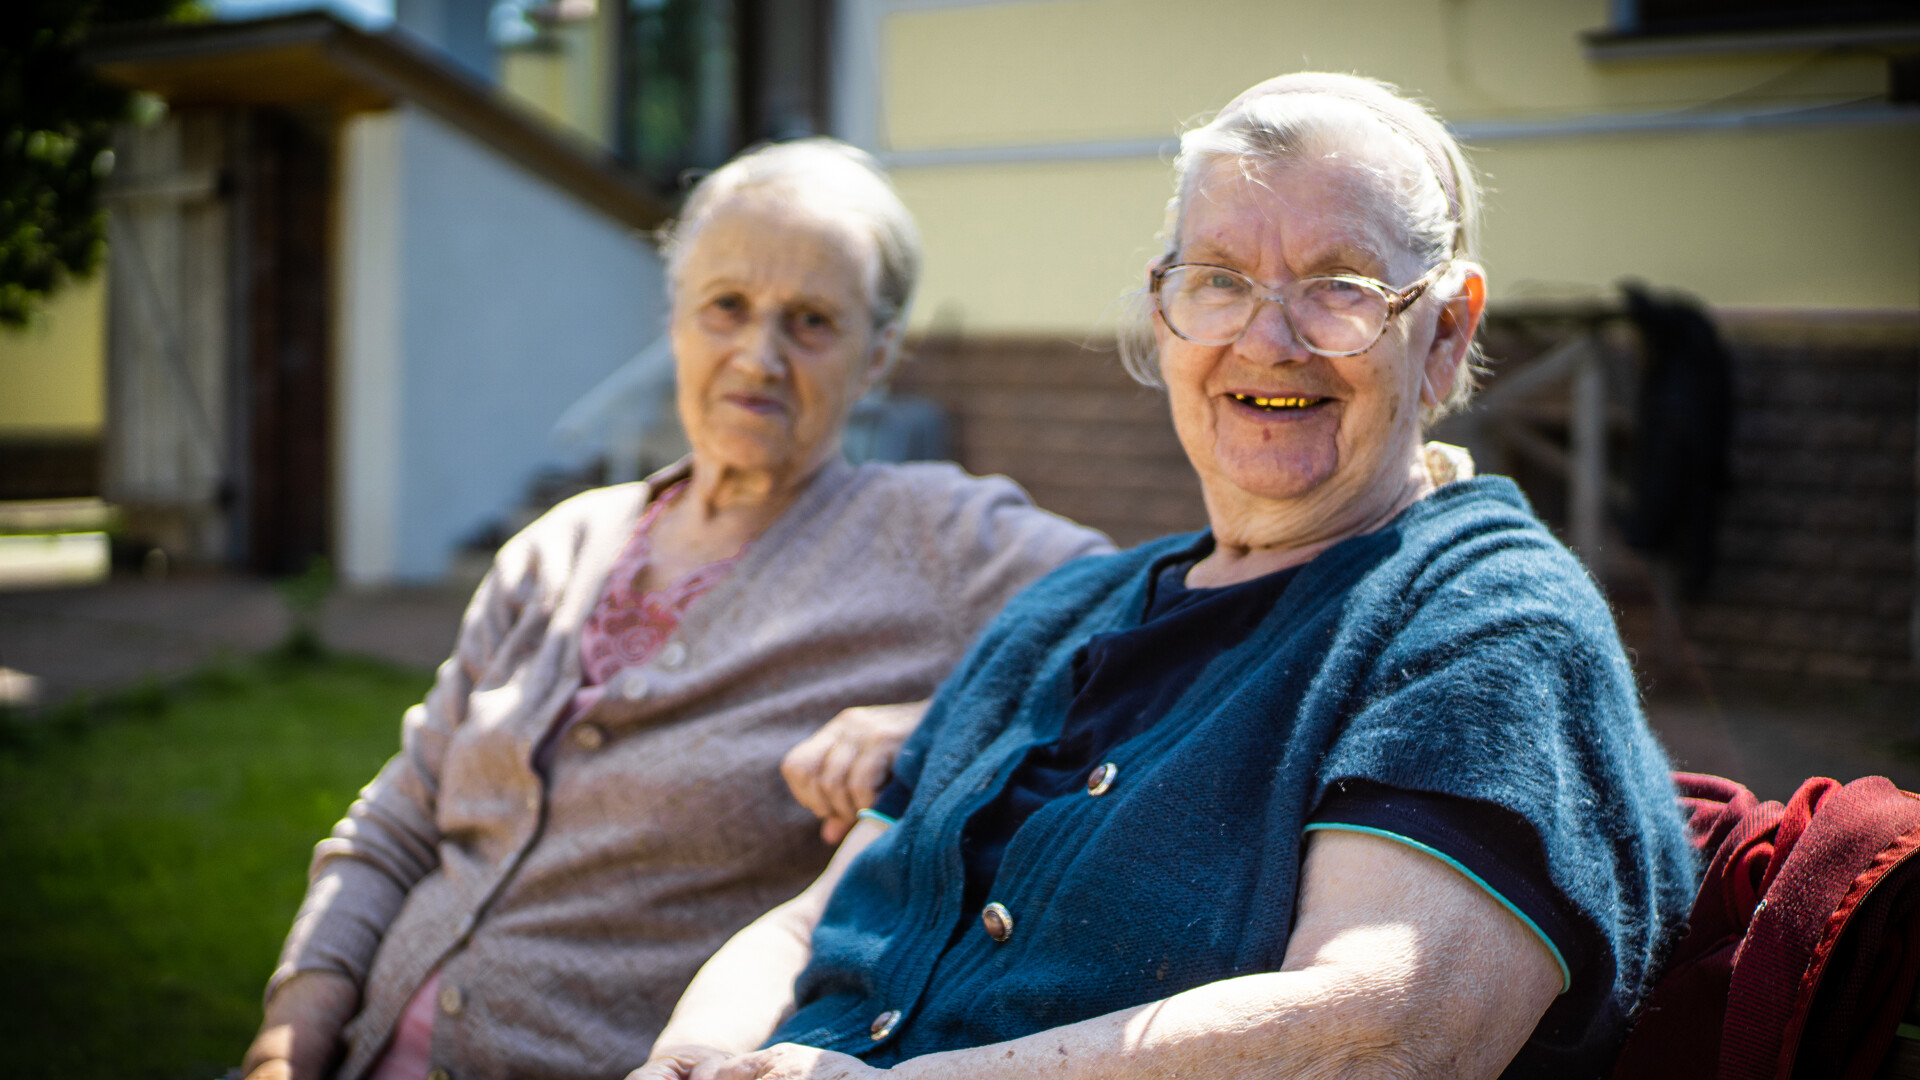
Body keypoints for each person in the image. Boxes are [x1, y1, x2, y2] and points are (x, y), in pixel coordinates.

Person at [633, 74, 1697, 1080]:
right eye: (1220, 282)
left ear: (1445, 336)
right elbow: (807, 922)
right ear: (1165, 314)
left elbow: (1390, 1031)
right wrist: (689, 1056)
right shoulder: (1061, 615)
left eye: (1338, 288)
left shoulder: (1483, 619)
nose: (1267, 340)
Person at [239, 139, 1112, 1080]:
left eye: (812, 320)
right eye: (726, 307)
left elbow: (1152, 622)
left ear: (879, 357)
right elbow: (398, 823)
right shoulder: (560, 546)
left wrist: (936, 727)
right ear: (674, 322)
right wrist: (288, 1041)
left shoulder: (935, 535)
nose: (758, 356)